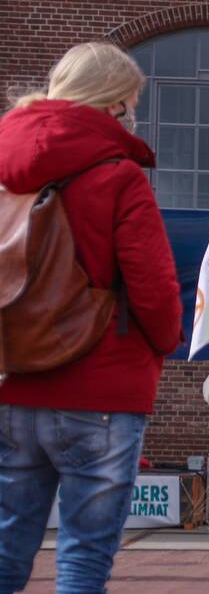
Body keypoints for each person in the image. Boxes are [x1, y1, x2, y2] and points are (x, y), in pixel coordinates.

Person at [0, 42, 183, 591]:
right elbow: (153, 289)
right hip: (102, 388)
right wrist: (162, 343)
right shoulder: (118, 174)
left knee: (6, 547)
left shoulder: (7, 169)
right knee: (83, 556)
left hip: (13, 380)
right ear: (113, 105)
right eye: (130, 102)